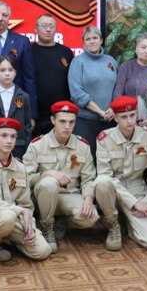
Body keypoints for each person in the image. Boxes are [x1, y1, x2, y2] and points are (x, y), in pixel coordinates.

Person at [22, 101, 99, 253]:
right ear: (52, 120)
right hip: (43, 198)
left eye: (71, 122)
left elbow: (88, 179)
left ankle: (63, 220)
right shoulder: (38, 145)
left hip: (69, 195)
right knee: (49, 183)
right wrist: (46, 173)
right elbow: (24, 178)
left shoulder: (82, 146)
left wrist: (89, 199)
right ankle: (47, 226)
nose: (67, 126)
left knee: (91, 217)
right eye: (62, 121)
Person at [0, 118, 52, 262]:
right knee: (7, 216)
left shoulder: (20, 168)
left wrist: (30, 228)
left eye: (13, 136)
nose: (9, 141)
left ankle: (11, 238)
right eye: (4, 135)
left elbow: (26, 205)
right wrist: (20, 211)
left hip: (13, 218)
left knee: (42, 251)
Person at [94, 96, 147, 251]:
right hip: (113, 192)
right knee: (102, 182)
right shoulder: (104, 139)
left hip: (137, 188)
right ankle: (113, 225)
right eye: (124, 117)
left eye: (132, 115)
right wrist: (134, 203)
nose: (129, 121)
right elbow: (106, 175)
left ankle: (129, 222)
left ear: (137, 113)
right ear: (116, 118)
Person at [68, 26, 119, 156]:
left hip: (110, 121)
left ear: (101, 40)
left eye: (95, 38)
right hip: (86, 122)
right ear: (84, 42)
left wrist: (113, 108)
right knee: (88, 160)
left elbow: (118, 88)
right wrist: (100, 112)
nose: (92, 41)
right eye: (88, 39)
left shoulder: (111, 61)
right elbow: (77, 94)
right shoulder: (78, 62)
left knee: (109, 159)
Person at [31, 14, 74, 138]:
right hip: (36, 117)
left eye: (51, 26)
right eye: (44, 25)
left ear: (56, 29)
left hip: (61, 116)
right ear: (36, 29)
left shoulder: (66, 52)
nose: (48, 29)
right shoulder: (28, 51)